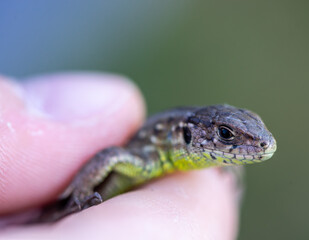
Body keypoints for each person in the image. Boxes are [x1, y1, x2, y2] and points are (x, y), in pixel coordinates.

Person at [0, 72, 240, 239]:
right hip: (50, 214)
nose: (260, 145)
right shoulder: (146, 161)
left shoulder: (183, 156)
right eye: (226, 134)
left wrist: (224, 160)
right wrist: (82, 192)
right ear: (188, 134)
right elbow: (110, 156)